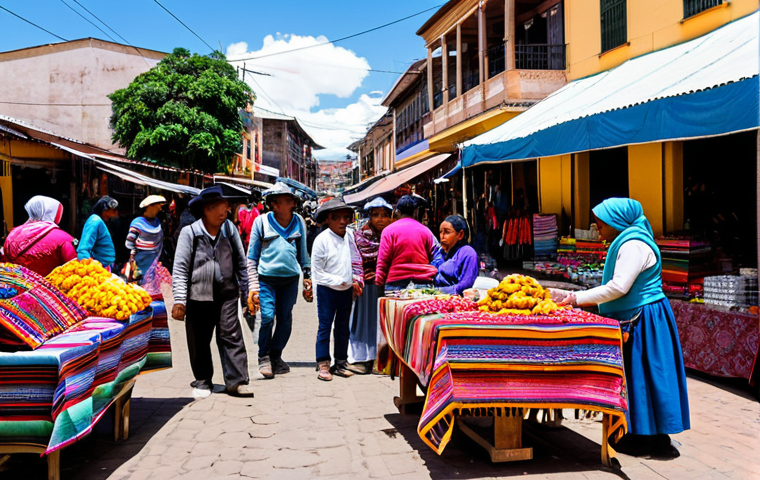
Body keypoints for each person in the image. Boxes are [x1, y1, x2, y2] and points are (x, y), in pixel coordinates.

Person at [555, 198, 689, 458]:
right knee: (639, 377)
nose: (597, 226)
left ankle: (651, 440)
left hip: (645, 319)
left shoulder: (634, 245)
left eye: (601, 221)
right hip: (638, 316)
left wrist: (576, 299)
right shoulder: (629, 240)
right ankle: (640, 435)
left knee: (646, 377)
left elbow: (619, 287)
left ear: (617, 221)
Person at [171, 186, 253, 399]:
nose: (225, 211)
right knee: (199, 340)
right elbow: (180, 268)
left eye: (225, 207)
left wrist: (248, 292)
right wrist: (179, 300)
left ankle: (237, 382)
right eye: (219, 207)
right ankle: (203, 379)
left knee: (231, 336)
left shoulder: (229, 230)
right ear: (206, 210)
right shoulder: (191, 233)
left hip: (227, 294)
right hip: (198, 295)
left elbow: (241, 264)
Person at [247, 182, 312, 379]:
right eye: (285, 201)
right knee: (267, 317)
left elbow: (303, 252)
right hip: (266, 279)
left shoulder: (299, 221)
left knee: (285, 319)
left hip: (290, 280)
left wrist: (307, 276)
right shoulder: (261, 222)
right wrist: (253, 285)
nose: (290, 203)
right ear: (274, 205)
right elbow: (251, 257)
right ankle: (263, 356)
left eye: (291, 200)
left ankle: (276, 355)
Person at [311, 198, 364, 381]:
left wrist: (355, 280)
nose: (342, 221)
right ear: (328, 219)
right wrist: (340, 280)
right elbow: (317, 273)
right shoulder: (321, 241)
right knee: (325, 327)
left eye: (345, 217)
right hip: (327, 291)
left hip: (346, 291)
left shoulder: (350, 236)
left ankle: (340, 362)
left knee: (343, 328)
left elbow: (357, 259)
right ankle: (323, 363)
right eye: (336, 217)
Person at [347, 197, 392, 374]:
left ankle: (380, 361)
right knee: (363, 322)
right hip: (366, 285)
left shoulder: (392, 234)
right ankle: (361, 359)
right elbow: (357, 260)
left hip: (387, 284)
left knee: (382, 324)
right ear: (370, 216)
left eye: (384, 215)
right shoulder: (360, 236)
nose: (380, 219)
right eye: (376, 215)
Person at [375, 195, 443, 294]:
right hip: (423, 282)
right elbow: (438, 255)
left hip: (395, 283)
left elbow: (383, 260)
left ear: (397, 211)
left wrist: (379, 281)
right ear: (415, 211)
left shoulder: (388, 231)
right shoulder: (425, 231)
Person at [2, 196, 76, 276]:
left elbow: (5, 264)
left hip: (13, 286)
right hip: (48, 287)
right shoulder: (63, 238)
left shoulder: (13, 233)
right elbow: (75, 267)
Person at [126, 195, 166, 283]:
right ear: (149, 206)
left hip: (154, 262)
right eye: (158, 205)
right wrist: (132, 261)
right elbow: (129, 243)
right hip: (140, 262)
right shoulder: (137, 222)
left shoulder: (157, 222)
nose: (160, 209)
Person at [435, 215, 478, 295]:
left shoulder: (468, 253)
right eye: (441, 232)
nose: (442, 237)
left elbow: (465, 285)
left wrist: (438, 291)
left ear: (460, 234)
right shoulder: (441, 252)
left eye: (447, 232)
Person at [78, 196, 119, 269]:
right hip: (99, 268)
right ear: (105, 210)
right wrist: (88, 268)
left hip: (104, 266)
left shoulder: (100, 222)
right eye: (113, 211)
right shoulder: (94, 221)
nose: (116, 214)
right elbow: (83, 248)